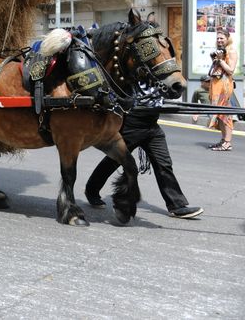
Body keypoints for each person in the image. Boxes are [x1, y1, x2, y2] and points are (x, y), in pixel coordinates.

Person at [85, 70, 203, 219]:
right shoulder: (131, 73)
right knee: (113, 160)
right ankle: (92, 189)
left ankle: (177, 205)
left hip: (152, 125)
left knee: (164, 164)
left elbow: (173, 92)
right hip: (132, 123)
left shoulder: (162, 75)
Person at [208, 28, 237, 151]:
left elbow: (230, 70)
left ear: (227, 38)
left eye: (222, 38)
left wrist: (220, 60)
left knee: (225, 113)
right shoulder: (219, 51)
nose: (219, 40)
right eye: (218, 38)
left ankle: (227, 142)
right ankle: (223, 140)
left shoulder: (231, 51)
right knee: (218, 114)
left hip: (224, 85)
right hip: (215, 84)